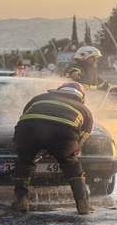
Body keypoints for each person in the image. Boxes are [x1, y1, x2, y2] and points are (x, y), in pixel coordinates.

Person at [11, 82, 95, 215]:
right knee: (72, 166)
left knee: (24, 162)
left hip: (27, 131)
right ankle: (83, 204)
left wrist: (31, 145)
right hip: (64, 135)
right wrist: (66, 152)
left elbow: (26, 118)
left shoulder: (39, 98)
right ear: (81, 97)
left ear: (58, 90)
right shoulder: (85, 111)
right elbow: (81, 140)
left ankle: (21, 202)